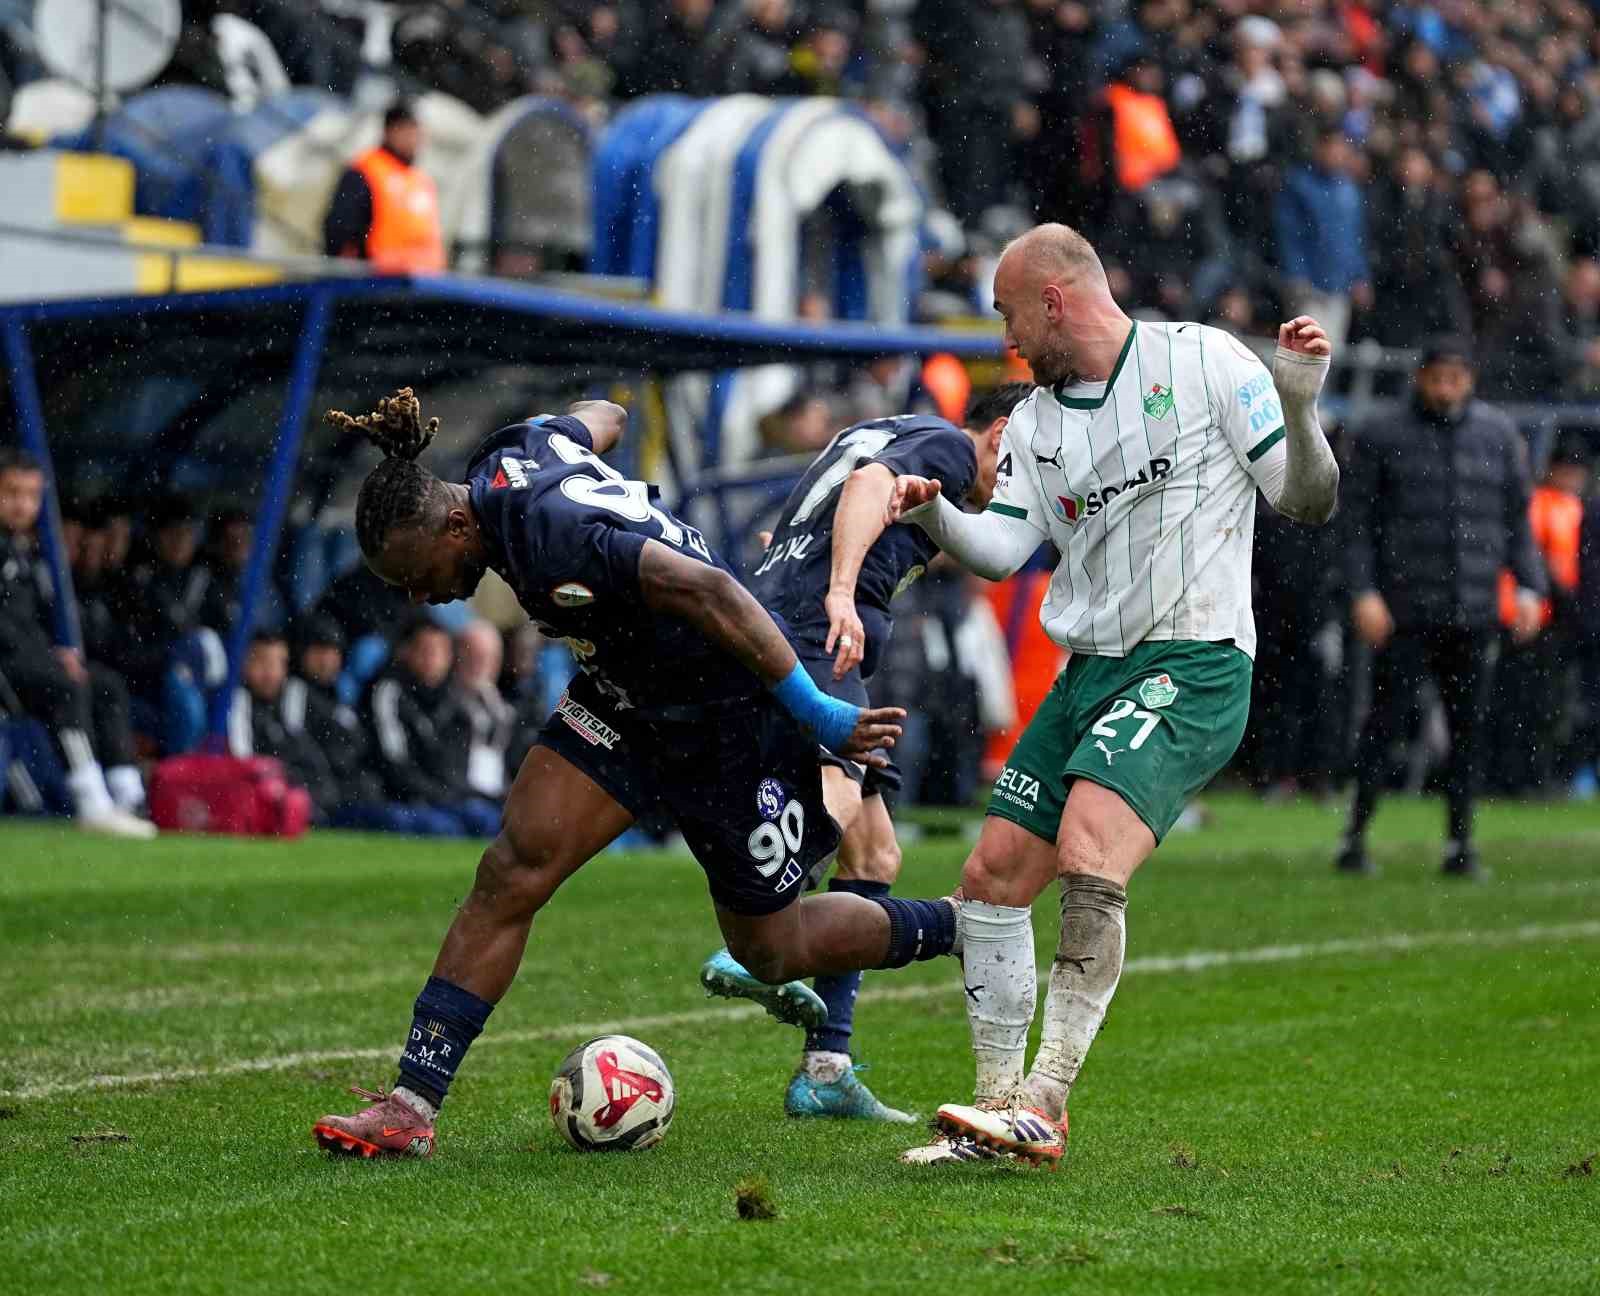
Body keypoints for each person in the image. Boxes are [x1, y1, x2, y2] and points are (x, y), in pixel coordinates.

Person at [310, 390, 959, 1159]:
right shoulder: (512, 454)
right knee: (511, 870)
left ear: (455, 524)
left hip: (722, 719)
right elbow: (603, 414)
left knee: (772, 950)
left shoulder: (549, 535)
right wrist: (593, 446)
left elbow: (712, 588)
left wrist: (817, 714)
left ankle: (960, 925)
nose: (422, 596)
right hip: (620, 700)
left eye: (418, 574)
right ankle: (411, 1106)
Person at [881, 223, 1339, 1166]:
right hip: (1087, 671)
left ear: (1054, 299)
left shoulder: (1206, 361)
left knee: (1091, 844)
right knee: (991, 878)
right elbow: (1005, 550)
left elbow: (1307, 499)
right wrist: (934, 514)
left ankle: (1043, 1105)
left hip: (1196, 661)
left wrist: (1300, 408)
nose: (1006, 339)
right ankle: (994, 1110)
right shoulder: (1039, 423)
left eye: (1010, 314)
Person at [705, 384, 1029, 1124]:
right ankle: (758, 944)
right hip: (821, 635)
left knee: (876, 854)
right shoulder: (947, 447)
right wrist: (844, 592)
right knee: (837, 789)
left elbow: (824, 497)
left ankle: (827, 1065)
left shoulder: (885, 423)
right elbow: (866, 484)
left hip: (792, 620)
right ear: (1001, 430)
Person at [1338, 339, 1545, 878]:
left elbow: (1517, 520)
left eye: (1455, 377)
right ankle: (1355, 836)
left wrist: (1529, 586)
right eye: (1437, 377)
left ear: (1470, 380)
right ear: (1420, 378)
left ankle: (1460, 845)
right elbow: (1355, 524)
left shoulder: (1497, 435)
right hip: (1404, 609)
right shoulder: (1382, 434)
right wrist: (1363, 591)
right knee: (1382, 727)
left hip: (1473, 609)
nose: (1446, 387)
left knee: (1468, 732)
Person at [0, 449, 154, 838]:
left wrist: (54, 653)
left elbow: (24, 621)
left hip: (22, 657)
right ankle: (92, 802)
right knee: (65, 686)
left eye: (31, 495)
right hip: (5, 664)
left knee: (106, 685)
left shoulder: (20, 549)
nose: (22, 504)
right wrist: (46, 660)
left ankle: (128, 795)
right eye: (12, 492)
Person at [363, 614, 500, 839]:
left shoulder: (454, 699)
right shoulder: (389, 692)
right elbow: (393, 762)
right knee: (444, 827)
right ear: (406, 652)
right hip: (398, 798)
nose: (433, 659)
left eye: (440, 652)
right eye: (426, 651)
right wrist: (436, 793)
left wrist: (454, 792)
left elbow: (456, 765)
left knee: (491, 820)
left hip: (444, 796)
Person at [322, 102, 445, 273]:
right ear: (391, 131)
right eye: (408, 130)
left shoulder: (422, 181)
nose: (415, 139)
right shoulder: (366, 170)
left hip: (424, 285)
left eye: (417, 131)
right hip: (378, 283)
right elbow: (340, 231)